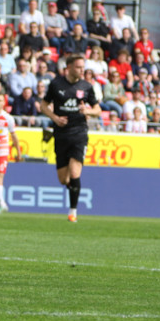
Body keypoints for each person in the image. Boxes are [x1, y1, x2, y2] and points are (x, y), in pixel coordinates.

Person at [40, 54, 101, 223]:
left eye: (83, 67)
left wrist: (88, 111)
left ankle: (72, 212)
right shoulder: (56, 84)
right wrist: (55, 118)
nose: (82, 70)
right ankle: (73, 188)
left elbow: (97, 110)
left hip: (79, 134)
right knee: (64, 179)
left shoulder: (86, 86)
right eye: (78, 67)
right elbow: (43, 105)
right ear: (69, 67)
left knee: (75, 172)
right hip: (61, 134)